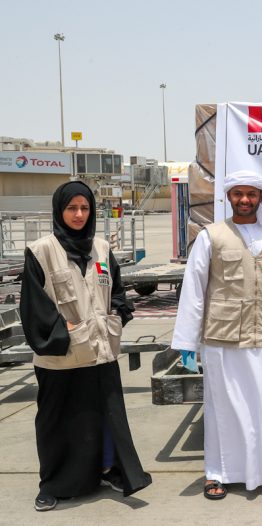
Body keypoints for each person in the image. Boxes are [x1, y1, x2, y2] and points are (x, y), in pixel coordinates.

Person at [171, 170, 262, 500]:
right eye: (238, 194)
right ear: (229, 197)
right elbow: (193, 291)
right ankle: (218, 473)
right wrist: (187, 341)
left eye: (251, 194)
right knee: (225, 408)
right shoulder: (211, 236)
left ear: (261, 198)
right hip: (223, 339)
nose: (244, 200)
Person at [20, 181, 152, 512]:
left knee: (104, 418)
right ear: (59, 211)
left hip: (101, 353)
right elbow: (34, 306)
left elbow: (118, 292)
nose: (79, 215)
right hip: (61, 358)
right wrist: (61, 331)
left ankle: (108, 471)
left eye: (85, 208)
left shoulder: (103, 249)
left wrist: (117, 317)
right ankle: (53, 484)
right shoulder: (41, 251)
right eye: (71, 208)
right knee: (57, 422)